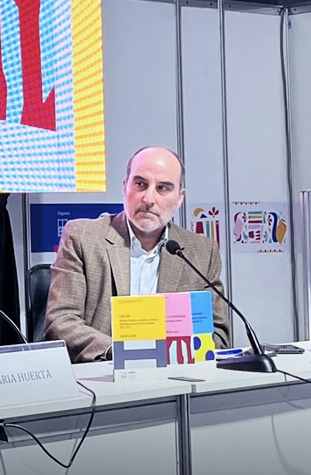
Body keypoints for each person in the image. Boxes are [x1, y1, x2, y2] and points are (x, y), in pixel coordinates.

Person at [45, 145, 231, 363]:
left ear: (180, 198)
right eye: (140, 184)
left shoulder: (202, 251)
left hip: (176, 375)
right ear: (125, 187)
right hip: (104, 371)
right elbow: (61, 321)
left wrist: (175, 354)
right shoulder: (83, 237)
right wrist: (121, 352)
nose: (148, 199)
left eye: (162, 188)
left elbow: (218, 334)